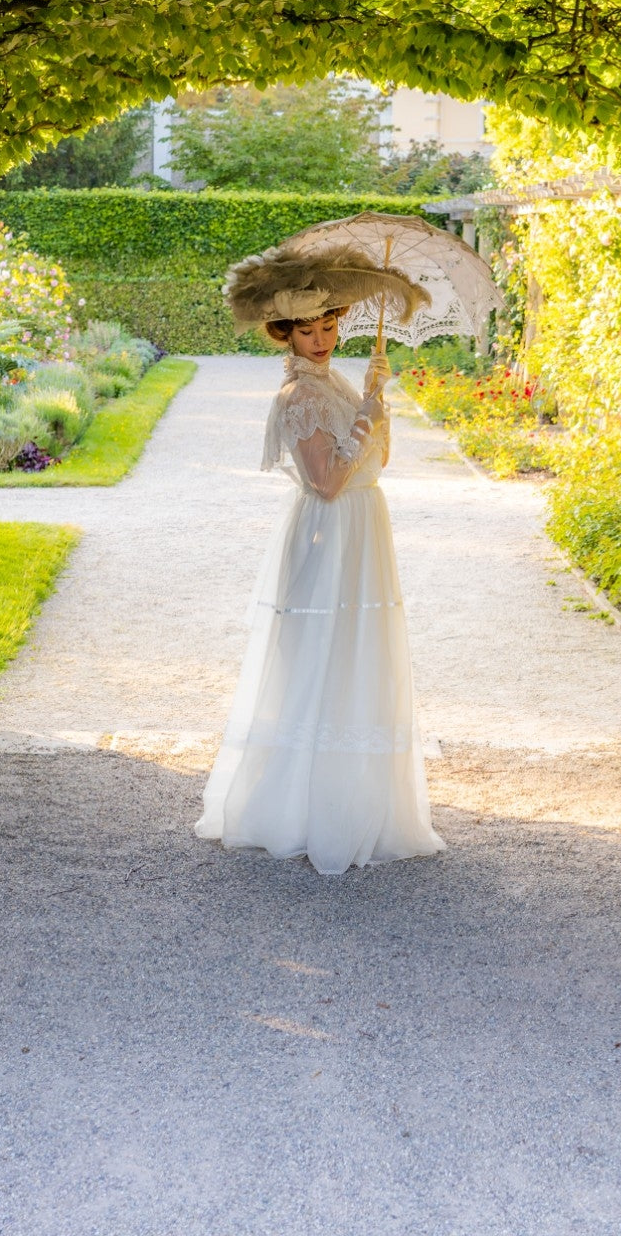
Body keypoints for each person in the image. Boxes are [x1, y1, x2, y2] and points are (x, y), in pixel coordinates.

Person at [195, 247, 445, 875]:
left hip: (366, 527)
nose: (322, 339)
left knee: (359, 652)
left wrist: (375, 406)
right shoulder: (296, 397)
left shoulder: (335, 382)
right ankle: (298, 808)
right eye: (307, 329)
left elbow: (374, 466)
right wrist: (365, 412)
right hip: (330, 533)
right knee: (319, 653)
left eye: (330, 325)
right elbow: (328, 481)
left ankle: (356, 800)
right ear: (284, 332)